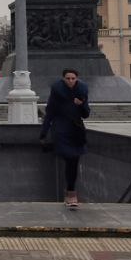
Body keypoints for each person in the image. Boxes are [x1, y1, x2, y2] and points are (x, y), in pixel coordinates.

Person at [40, 68, 91, 208]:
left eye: (73, 78)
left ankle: (70, 192)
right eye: (68, 78)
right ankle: (71, 194)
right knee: (70, 158)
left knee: (74, 161)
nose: (70, 81)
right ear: (63, 79)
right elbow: (49, 112)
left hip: (76, 129)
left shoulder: (82, 91)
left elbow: (86, 114)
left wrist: (81, 105)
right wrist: (43, 132)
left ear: (77, 79)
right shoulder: (57, 91)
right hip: (61, 129)